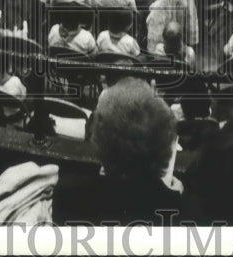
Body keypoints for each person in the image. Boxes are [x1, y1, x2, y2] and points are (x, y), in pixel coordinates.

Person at [51, 78, 183, 225]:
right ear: (165, 147)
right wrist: (173, 196)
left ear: (99, 140)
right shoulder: (181, 212)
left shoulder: (68, 198)